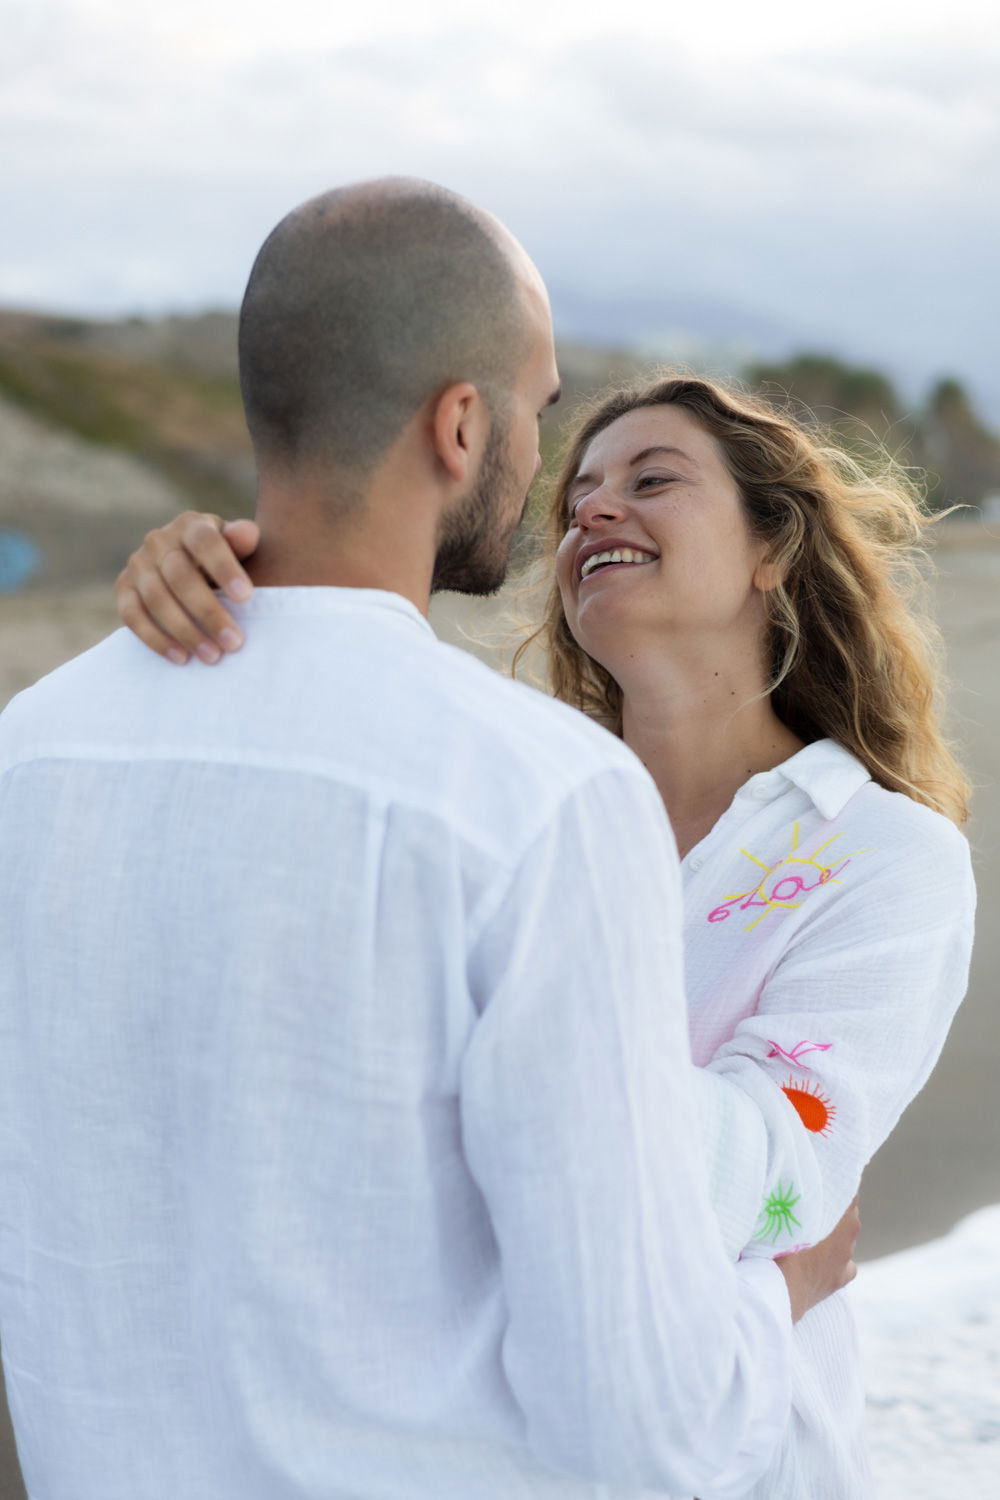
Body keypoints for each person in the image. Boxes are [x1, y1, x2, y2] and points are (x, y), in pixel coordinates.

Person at [0, 180, 858, 1500]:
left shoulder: (32, 752)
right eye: (539, 408)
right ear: (461, 425)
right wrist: (783, 1291)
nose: (546, 464)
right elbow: (645, 1429)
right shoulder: (538, 800)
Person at [121, 370, 976, 1499]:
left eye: (652, 479)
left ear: (773, 547)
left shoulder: (879, 856)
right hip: (464, 1448)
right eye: (576, 497)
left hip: (739, 1458)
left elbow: (780, 1180)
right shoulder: (498, 801)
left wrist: (479, 1087)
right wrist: (220, 581)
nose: (592, 511)